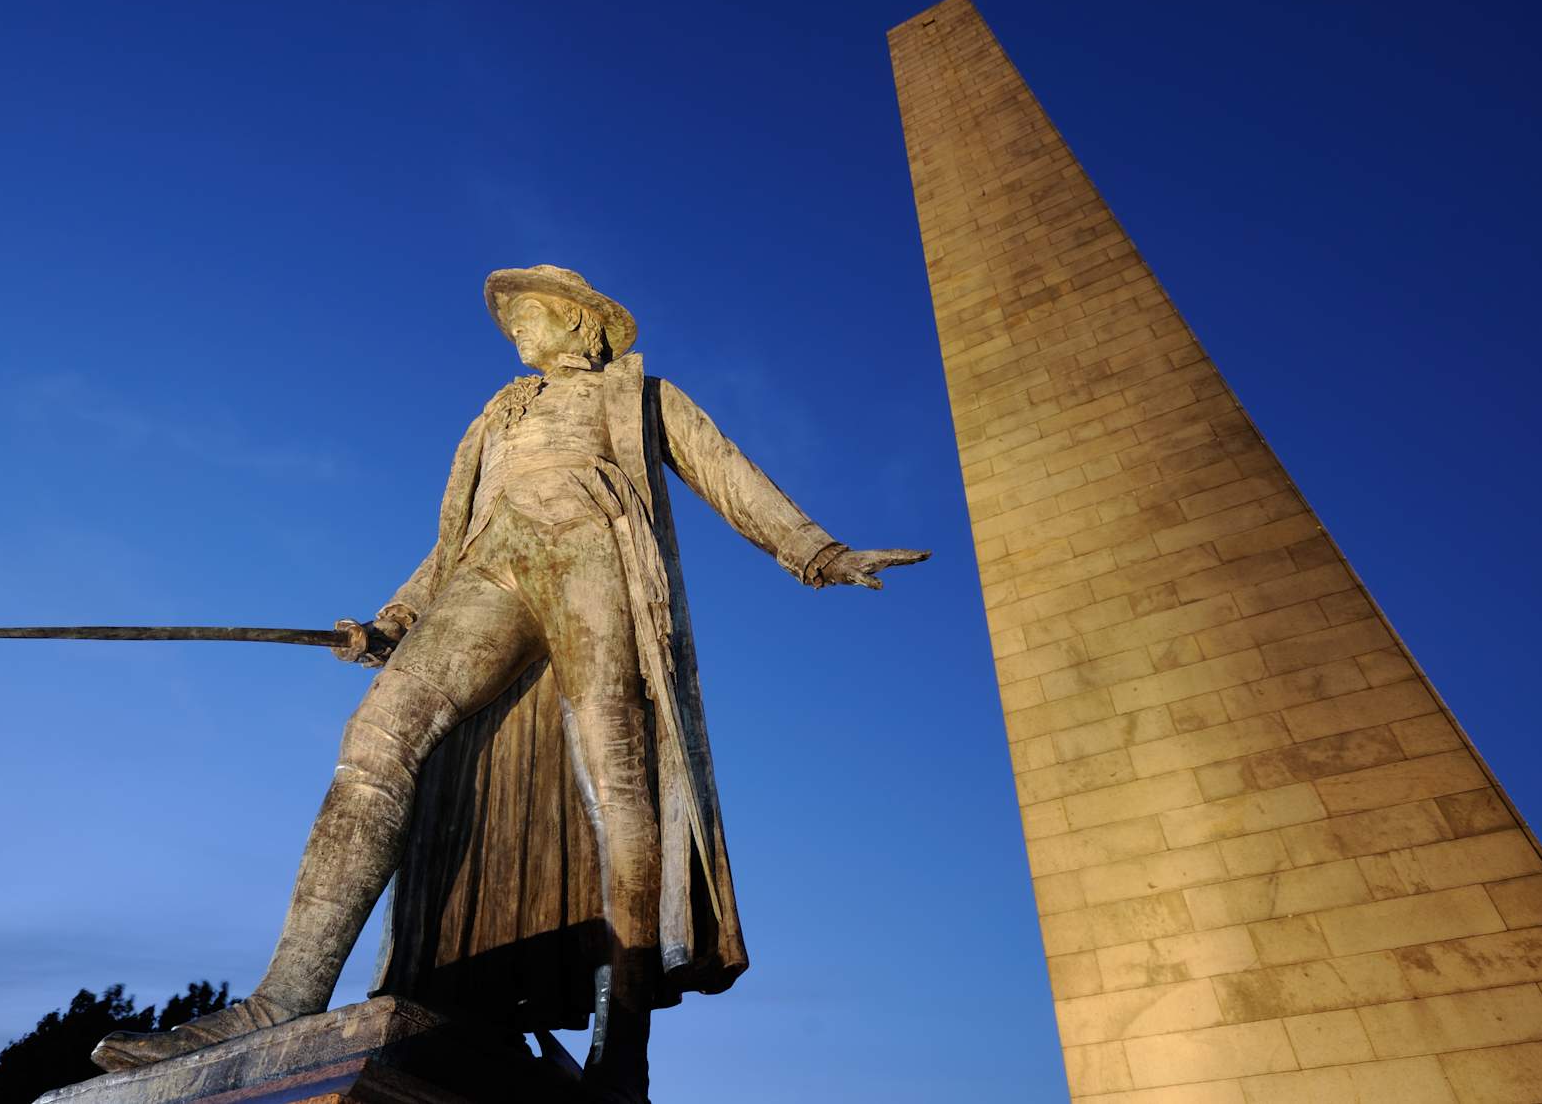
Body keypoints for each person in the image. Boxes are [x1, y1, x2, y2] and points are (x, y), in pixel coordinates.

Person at [92, 266, 925, 1103]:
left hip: (593, 552)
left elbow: (726, 473)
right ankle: (282, 997)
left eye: (531, 313)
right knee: (379, 734)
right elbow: (454, 539)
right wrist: (393, 617)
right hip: (491, 568)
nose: (516, 329)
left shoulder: (641, 394)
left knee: (620, 784)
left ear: (581, 324)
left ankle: (622, 1043)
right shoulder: (498, 412)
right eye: (512, 319)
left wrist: (818, 553)